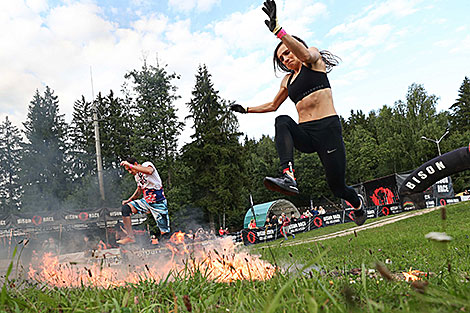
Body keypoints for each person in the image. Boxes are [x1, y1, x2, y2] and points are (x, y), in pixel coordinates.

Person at [230, 0, 366, 226]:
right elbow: (273, 105)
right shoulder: (287, 80)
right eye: (281, 58)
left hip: (328, 131)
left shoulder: (313, 59)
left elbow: (304, 54)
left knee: (337, 187)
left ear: (295, 46)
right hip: (306, 134)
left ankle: (357, 204)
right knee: (282, 119)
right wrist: (246, 109)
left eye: (287, 53)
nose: (285, 58)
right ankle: (288, 175)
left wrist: (278, 31)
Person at [118, 157, 170, 245]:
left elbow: (149, 171)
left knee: (165, 234)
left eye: (130, 169)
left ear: (134, 164)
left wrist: (129, 164)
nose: (130, 172)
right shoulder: (137, 177)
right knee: (125, 209)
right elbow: (139, 191)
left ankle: (173, 251)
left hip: (158, 203)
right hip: (145, 202)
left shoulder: (146, 165)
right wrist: (129, 200)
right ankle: (130, 237)